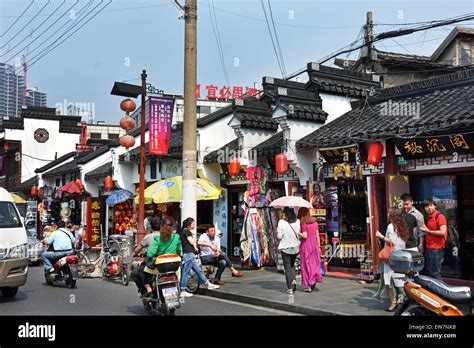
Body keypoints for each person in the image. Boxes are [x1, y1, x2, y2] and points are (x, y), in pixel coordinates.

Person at [374, 208, 410, 311]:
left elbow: (392, 242)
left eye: (389, 213)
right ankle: (400, 302)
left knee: (389, 281)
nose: (387, 215)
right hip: (401, 257)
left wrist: (381, 236)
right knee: (399, 282)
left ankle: (394, 303)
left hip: (391, 257)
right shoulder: (403, 226)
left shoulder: (391, 227)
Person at [141, 217, 182, 297]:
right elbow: (179, 250)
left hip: (162, 266)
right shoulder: (176, 237)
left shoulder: (158, 239)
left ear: (161, 226)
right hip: (174, 265)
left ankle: (149, 289)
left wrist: (148, 257)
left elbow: (151, 253)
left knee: (144, 271)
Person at [179, 218, 219, 297]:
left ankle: (208, 284)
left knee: (198, 270)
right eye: (193, 224)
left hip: (189, 254)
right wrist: (193, 238)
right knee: (186, 272)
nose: (194, 226)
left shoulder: (184, 231)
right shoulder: (186, 231)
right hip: (189, 254)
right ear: (189, 225)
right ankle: (183, 289)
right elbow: (191, 241)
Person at [131, 216, 161, 298]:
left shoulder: (149, 237)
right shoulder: (167, 236)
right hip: (167, 262)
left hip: (154, 263)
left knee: (136, 272)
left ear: (151, 226)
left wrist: (135, 253)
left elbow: (138, 249)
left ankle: (146, 291)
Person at [297, 207, 322, 292]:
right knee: (314, 264)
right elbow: (317, 235)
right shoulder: (315, 222)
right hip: (314, 245)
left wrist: (298, 233)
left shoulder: (303, 224)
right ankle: (313, 283)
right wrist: (318, 247)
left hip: (306, 246)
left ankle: (308, 285)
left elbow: (305, 235)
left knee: (306, 265)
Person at [421, 199, 448, 280]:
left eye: (431, 205)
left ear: (435, 206)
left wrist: (428, 231)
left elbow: (443, 232)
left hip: (437, 248)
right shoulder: (428, 217)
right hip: (429, 247)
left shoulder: (439, 216)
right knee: (431, 273)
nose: (429, 208)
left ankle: (440, 291)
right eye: (426, 206)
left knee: (435, 273)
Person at [277, 207, 301, 294]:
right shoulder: (298, 221)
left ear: (285, 214)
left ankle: (290, 288)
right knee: (292, 266)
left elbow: (279, 236)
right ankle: (294, 281)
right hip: (295, 247)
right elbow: (299, 233)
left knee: (287, 268)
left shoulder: (281, 222)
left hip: (285, 247)